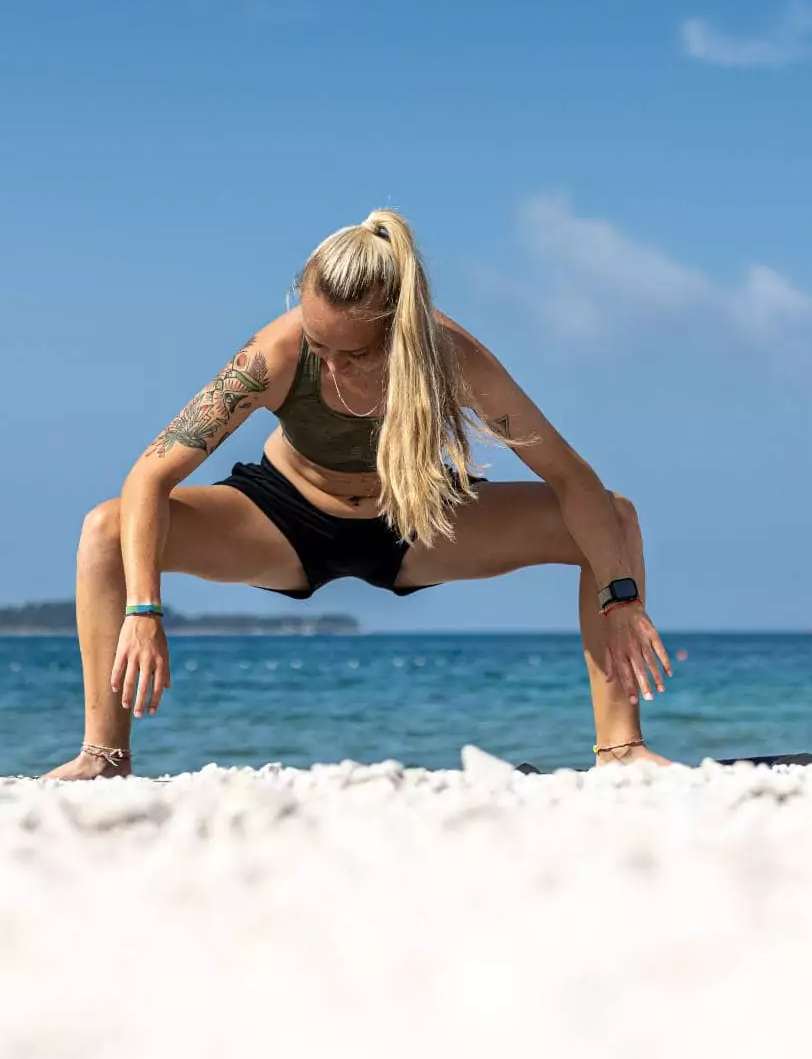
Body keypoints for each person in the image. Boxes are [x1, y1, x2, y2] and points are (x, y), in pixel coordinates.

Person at [45, 209, 673, 780]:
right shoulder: (274, 354)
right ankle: (104, 758)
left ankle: (621, 753)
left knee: (612, 520)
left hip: (416, 517)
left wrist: (620, 598)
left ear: (399, 329)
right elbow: (148, 477)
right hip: (284, 520)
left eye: (354, 352)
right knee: (106, 529)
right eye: (320, 346)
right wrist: (144, 612)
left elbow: (571, 477)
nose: (333, 367)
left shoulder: (450, 357)